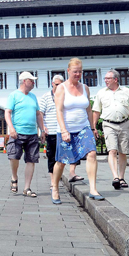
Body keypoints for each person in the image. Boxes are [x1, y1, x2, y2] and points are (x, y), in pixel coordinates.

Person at [52, 58, 103, 204]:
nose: (78, 74)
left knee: (92, 153)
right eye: (75, 72)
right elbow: (59, 110)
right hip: (66, 129)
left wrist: (92, 127)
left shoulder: (85, 88)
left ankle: (93, 189)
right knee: (61, 162)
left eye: (80, 72)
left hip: (83, 127)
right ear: (68, 71)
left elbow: (88, 108)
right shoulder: (61, 88)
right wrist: (63, 130)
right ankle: (55, 187)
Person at [92, 69, 129, 190]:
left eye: (108, 78)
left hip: (124, 123)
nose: (105, 80)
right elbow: (96, 111)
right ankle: (115, 177)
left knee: (123, 151)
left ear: (115, 79)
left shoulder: (127, 92)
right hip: (108, 124)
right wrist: (93, 127)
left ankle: (121, 177)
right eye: (105, 78)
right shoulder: (101, 93)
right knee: (112, 150)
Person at [5, 71, 47, 198]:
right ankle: (14, 176)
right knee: (13, 156)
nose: (34, 82)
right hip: (17, 132)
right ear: (24, 81)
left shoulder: (33, 96)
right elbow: (7, 112)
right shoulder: (14, 95)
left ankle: (27, 188)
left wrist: (42, 130)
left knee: (31, 160)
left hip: (32, 133)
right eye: (31, 80)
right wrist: (11, 128)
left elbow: (38, 114)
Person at [39, 74, 84, 188]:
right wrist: (43, 129)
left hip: (67, 128)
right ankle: (53, 181)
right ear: (52, 84)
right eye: (57, 84)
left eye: (61, 84)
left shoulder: (67, 94)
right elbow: (40, 113)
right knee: (53, 156)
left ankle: (72, 173)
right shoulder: (45, 97)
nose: (59, 86)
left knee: (74, 151)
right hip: (52, 130)